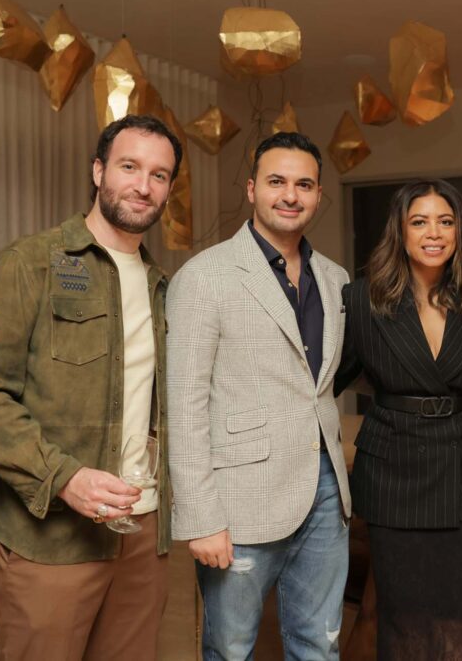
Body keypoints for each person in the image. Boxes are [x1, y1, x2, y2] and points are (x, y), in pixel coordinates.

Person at [0, 114, 182, 660]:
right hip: (48, 538)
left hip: (141, 535)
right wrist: (66, 478)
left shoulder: (164, 288)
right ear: (98, 171)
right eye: (129, 167)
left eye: (159, 174)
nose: (143, 185)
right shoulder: (28, 265)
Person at [166, 132, 351, 660]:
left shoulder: (334, 279)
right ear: (251, 189)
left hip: (325, 492)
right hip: (239, 500)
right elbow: (184, 403)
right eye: (276, 182)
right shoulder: (204, 276)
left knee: (319, 646)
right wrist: (200, 517)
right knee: (230, 650)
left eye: (304, 185)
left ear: (318, 195)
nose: (290, 195)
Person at [335, 179, 462, 660]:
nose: (434, 233)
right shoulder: (360, 300)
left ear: (459, 230)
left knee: (460, 617)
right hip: (392, 471)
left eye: (445, 221)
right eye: (420, 221)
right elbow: (330, 380)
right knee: (401, 618)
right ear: (400, 231)